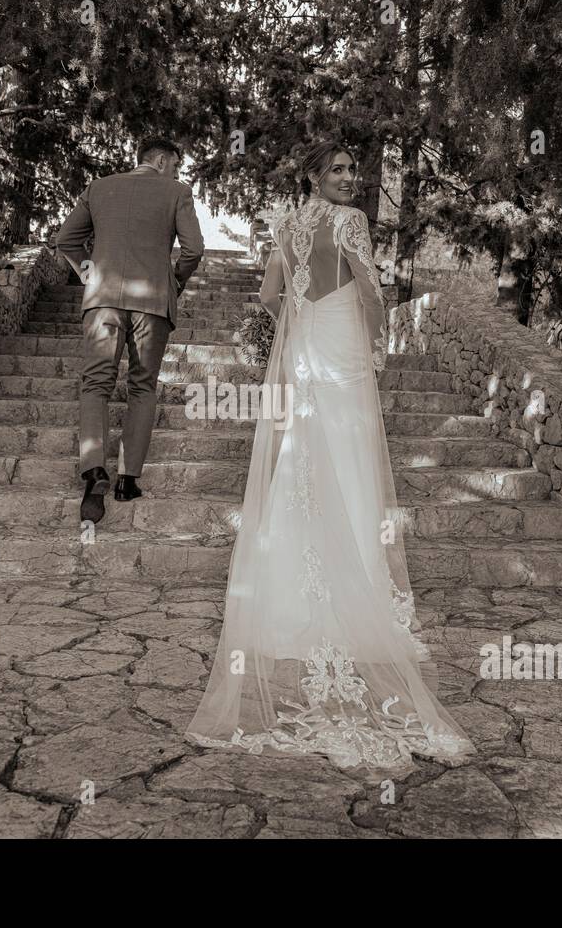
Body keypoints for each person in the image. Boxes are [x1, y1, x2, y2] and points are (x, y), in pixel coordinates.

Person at [184, 140, 476, 771]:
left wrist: (301, 322)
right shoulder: (351, 223)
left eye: (353, 170)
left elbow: (268, 295)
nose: (351, 178)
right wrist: (371, 338)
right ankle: (354, 602)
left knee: (301, 467)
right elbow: (371, 291)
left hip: (304, 354)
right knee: (349, 460)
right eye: (338, 170)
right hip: (340, 355)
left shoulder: (287, 225)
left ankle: (290, 608)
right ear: (315, 176)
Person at [54, 138, 205, 523]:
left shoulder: (99, 187)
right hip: (153, 302)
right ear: (160, 160)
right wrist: (174, 283)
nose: (176, 173)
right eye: (175, 165)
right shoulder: (177, 193)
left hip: (102, 299)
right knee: (142, 385)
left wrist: (88, 271)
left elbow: (65, 239)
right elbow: (193, 251)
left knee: (95, 384)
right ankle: (127, 479)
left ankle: (93, 471)